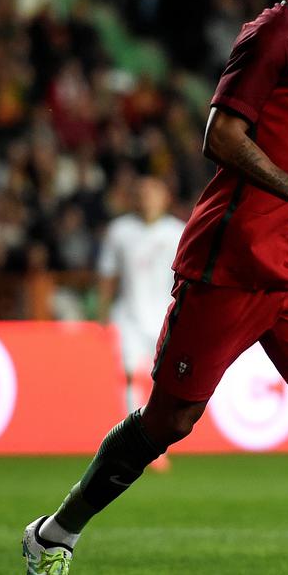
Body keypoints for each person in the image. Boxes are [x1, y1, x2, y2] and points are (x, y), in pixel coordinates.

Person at [23, 0, 288, 575]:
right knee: (170, 422)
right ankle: (55, 532)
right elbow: (218, 134)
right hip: (231, 260)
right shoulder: (275, 34)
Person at [96, 174, 185, 473]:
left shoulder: (177, 231)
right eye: (142, 192)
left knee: (162, 382)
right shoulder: (120, 231)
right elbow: (107, 274)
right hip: (129, 317)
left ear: (165, 198)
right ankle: (136, 443)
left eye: (153, 192)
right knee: (131, 377)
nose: (147, 198)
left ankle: (156, 441)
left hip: (165, 316)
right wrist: (103, 312)